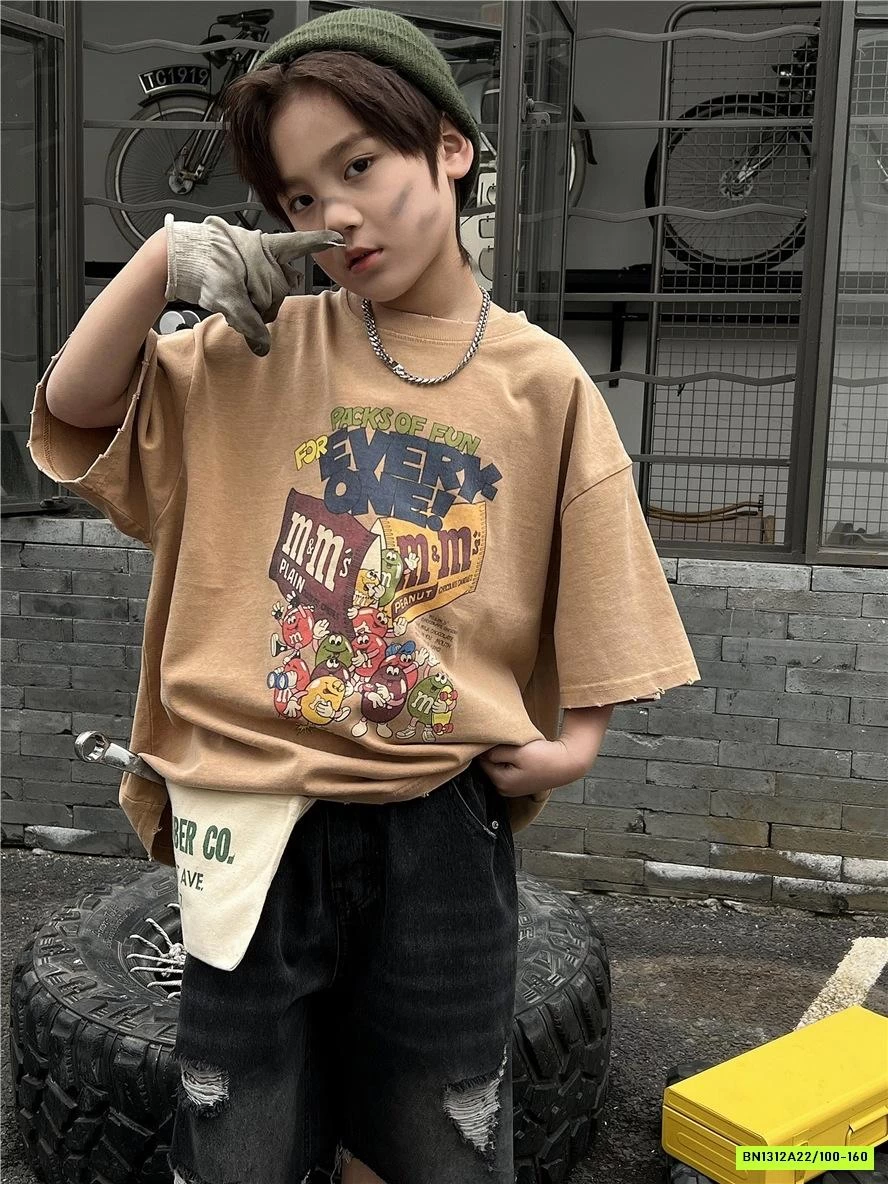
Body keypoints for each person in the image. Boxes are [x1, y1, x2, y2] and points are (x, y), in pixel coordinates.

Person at [27, 8, 700, 1183]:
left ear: (450, 147)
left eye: (360, 166)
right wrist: (161, 265)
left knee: (442, 1134)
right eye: (298, 195)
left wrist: (577, 739)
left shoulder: (539, 381)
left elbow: (601, 568)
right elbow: (78, 410)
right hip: (247, 811)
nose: (334, 215)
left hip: (437, 819)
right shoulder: (254, 348)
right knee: (236, 1137)